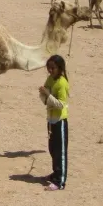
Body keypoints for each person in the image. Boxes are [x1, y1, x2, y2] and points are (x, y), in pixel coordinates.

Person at [39, 55, 69, 191]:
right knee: (52, 149)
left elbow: (61, 104)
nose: (50, 70)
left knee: (60, 151)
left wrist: (47, 94)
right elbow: (44, 98)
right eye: (48, 68)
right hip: (50, 120)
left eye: (53, 68)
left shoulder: (62, 83)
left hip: (60, 121)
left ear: (60, 68)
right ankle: (55, 173)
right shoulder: (50, 79)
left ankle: (60, 182)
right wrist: (44, 94)